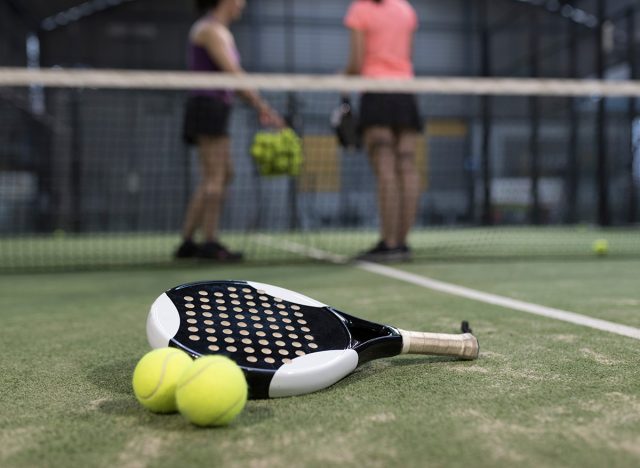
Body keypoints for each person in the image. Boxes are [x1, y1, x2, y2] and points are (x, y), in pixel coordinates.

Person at [176, 0, 284, 260]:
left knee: (222, 174)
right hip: (207, 107)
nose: (242, 4)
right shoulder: (209, 30)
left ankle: (188, 242)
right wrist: (262, 106)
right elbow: (233, 74)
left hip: (216, 107)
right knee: (216, 176)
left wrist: (259, 105)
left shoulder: (220, 31)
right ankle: (209, 242)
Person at [343, 0, 422, 262]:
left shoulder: (360, 9)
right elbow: (407, 56)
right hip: (405, 94)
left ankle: (388, 243)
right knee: (408, 167)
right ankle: (402, 243)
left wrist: (341, 77)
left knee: (386, 169)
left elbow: (355, 63)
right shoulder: (406, 10)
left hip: (377, 93)